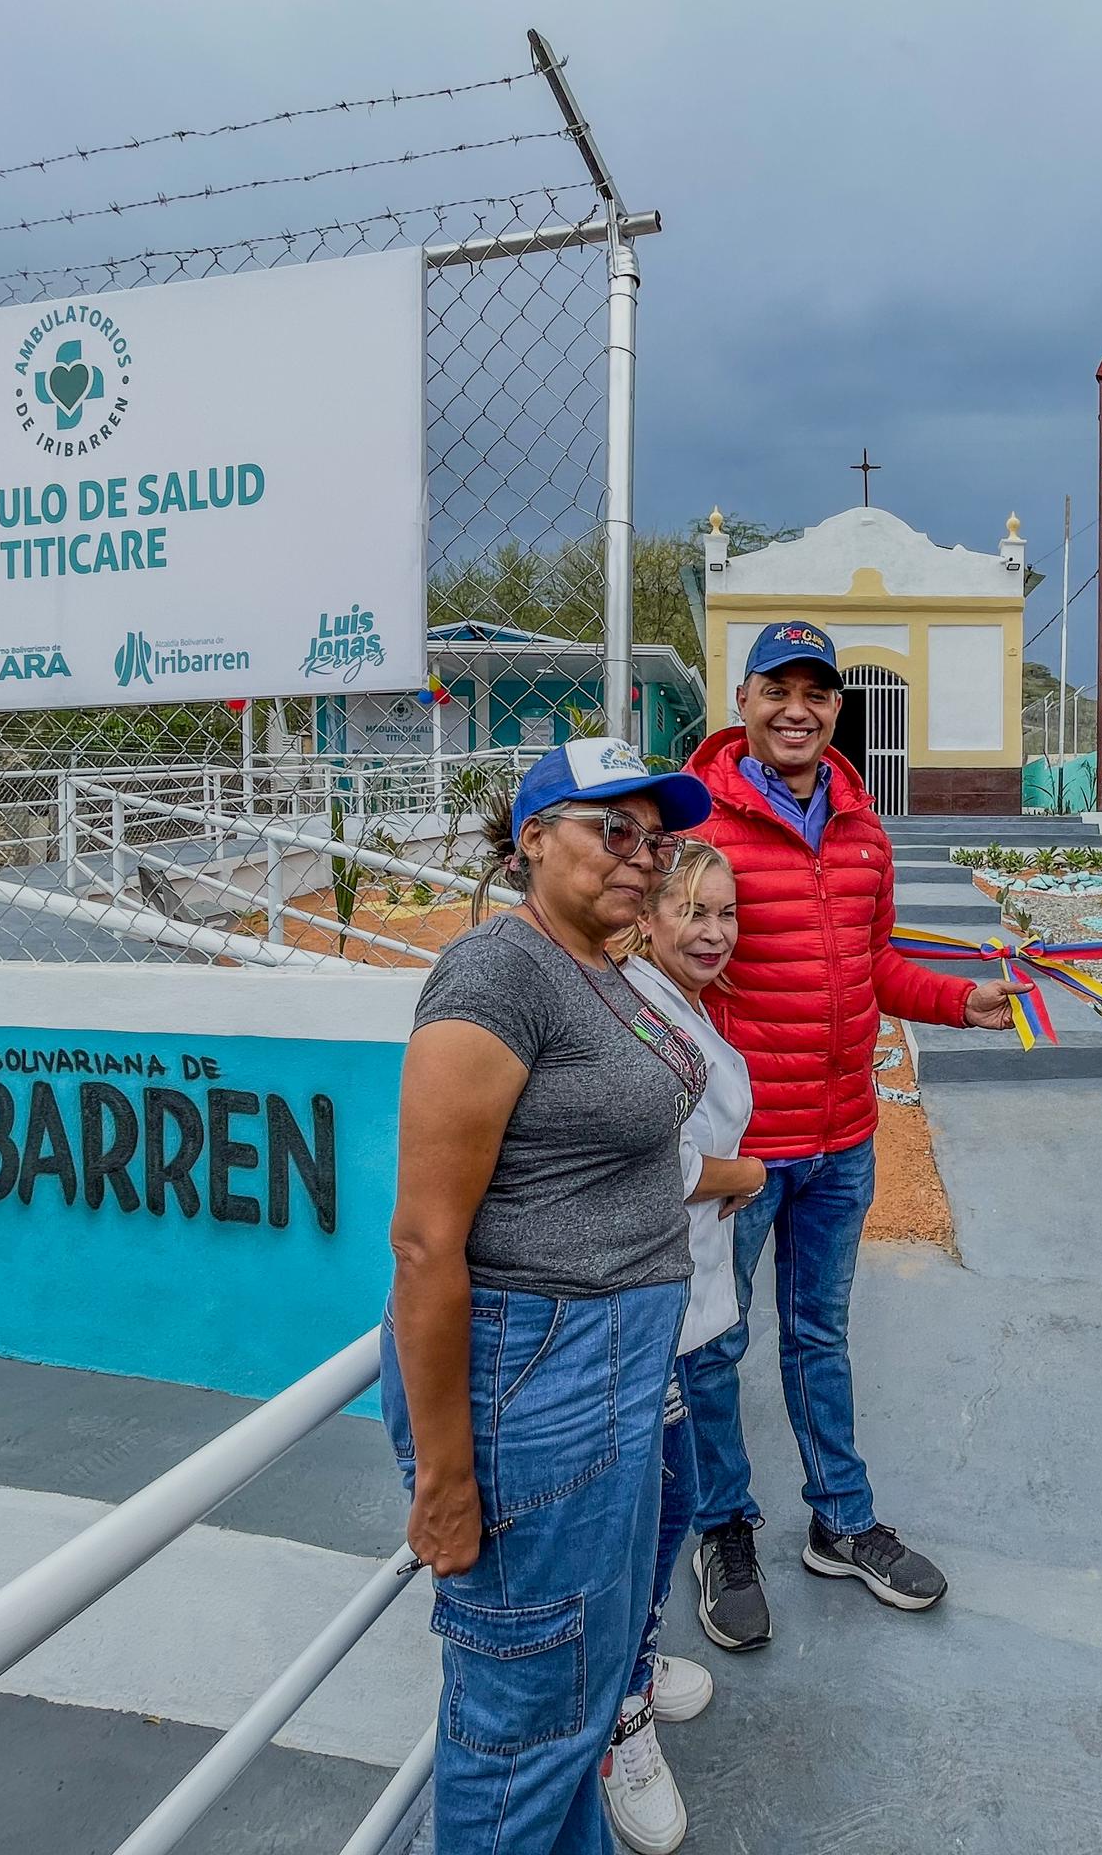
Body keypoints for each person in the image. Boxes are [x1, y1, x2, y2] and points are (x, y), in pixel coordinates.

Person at [383, 736, 715, 1855]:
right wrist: (443, 1477)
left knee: (576, 1694)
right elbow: (427, 1246)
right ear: (534, 839)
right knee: (522, 1723)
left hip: (611, 1371)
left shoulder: (599, 963)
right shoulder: (498, 973)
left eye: (655, 841)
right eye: (610, 830)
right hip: (537, 1379)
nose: (640, 857)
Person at [678, 620, 1025, 1648]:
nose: (796, 708)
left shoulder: (863, 832)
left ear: (837, 707)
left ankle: (839, 1518)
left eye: (815, 692)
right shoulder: (699, 827)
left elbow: (871, 966)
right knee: (714, 1340)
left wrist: (953, 1003)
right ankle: (723, 1526)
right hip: (741, 1152)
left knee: (819, 1334)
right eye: (775, 688)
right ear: (739, 700)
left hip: (840, 1138)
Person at [601, 843, 762, 1855]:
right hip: (643, 1300)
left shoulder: (677, 1002)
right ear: (648, 916)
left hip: (682, 1298)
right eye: (693, 911)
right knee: (646, 1518)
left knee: (672, 1496)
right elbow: (654, 1159)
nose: (712, 931)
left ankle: (639, 1660)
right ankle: (620, 1720)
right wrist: (740, 1176)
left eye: (727, 914)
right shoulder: (634, 1010)